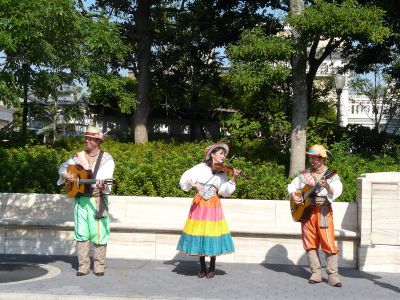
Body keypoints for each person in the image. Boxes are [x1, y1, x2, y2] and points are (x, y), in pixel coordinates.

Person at [57, 125, 115, 276]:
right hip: (81, 199)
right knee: (81, 232)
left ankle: (99, 265)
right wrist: (66, 175)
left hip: (98, 200)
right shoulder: (78, 156)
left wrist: (103, 185)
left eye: (91, 139)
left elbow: (107, 179)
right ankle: (83, 266)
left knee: (99, 232)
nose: (87, 141)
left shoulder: (107, 159)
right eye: (86, 138)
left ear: (98, 141)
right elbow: (63, 167)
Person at [177, 142, 240, 278]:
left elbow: (224, 191)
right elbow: (184, 180)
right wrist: (195, 184)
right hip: (199, 202)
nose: (223, 157)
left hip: (213, 202)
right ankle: (202, 266)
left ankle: (212, 265)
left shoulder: (222, 172)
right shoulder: (199, 168)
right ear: (212, 154)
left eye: (224, 154)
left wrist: (234, 177)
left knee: (212, 232)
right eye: (221, 154)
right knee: (200, 232)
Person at [288, 144, 343, 287]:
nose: (312, 161)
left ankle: (332, 274)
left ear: (322, 159)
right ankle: (316, 272)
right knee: (309, 242)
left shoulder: (331, 175)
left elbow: (336, 191)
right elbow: (292, 186)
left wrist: (327, 186)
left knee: (328, 242)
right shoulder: (304, 174)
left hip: (323, 212)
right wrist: (294, 195)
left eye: (315, 158)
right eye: (310, 158)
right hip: (307, 212)